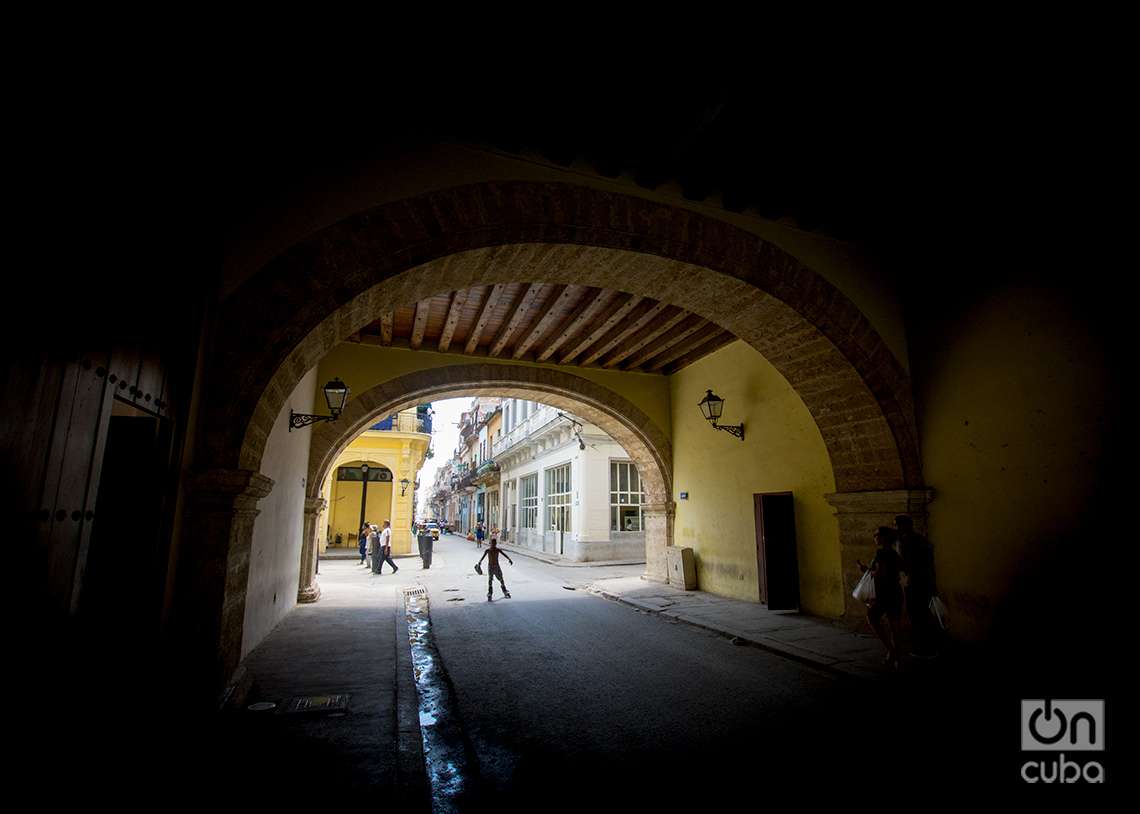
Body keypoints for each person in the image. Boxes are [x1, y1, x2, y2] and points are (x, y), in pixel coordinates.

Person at [857, 526, 903, 669]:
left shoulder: (881, 553)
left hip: (883, 593)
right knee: (894, 626)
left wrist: (865, 570)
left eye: (876, 534)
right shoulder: (895, 554)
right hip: (895, 592)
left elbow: (880, 573)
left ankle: (892, 651)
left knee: (872, 617)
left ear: (884, 537)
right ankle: (897, 659)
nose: (874, 537)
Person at [896, 515, 940, 658]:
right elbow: (930, 565)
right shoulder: (921, 540)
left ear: (905, 525)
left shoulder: (907, 542)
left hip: (915, 583)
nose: (896, 528)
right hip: (923, 582)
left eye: (897, 525)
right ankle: (927, 647)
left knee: (917, 615)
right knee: (923, 615)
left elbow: (907, 564)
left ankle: (923, 648)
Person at [476, 534, 513, 601]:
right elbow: (483, 557)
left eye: (494, 543)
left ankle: (504, 590)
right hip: (491, 567)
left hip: (496, 566)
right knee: (490, 580)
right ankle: (490, 593)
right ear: (490, 544)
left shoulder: (497, 550)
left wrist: (509, 559)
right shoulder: (488, 551)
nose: (493, 545)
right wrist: (479, 563)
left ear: (495, 544)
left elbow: (504, 554)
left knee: (501, 579)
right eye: (492, 544)